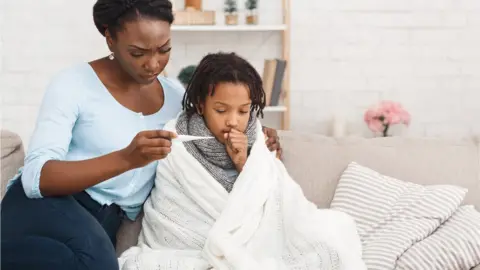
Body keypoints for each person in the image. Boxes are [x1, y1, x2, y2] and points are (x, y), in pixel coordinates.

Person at [0, 1, 281, 270]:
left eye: (164, 49)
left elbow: (218, 124)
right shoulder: (73, 84)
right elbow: (36, 177)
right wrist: (125, 158)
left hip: (105, 220)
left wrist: (259, 137)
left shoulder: (176, 97)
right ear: (110, 39)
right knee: (95, 263)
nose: (153, 63)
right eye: (138, 53)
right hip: (47, 206)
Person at [118, 52, 366, 270]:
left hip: (250, 243)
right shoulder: (177, 142)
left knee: (330, 239)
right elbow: (172, 211)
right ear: (202, 105)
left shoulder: (258, 139)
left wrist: (243, 162)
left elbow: (272, 200)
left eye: (243, 111)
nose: (233, 121)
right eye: (221, 110)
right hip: (188, 249)